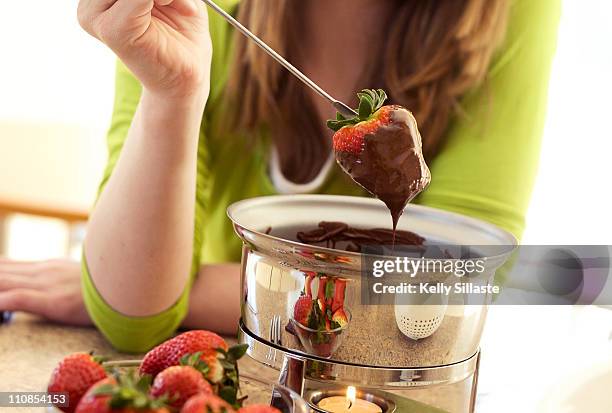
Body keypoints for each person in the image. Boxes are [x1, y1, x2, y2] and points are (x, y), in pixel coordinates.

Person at [0, 0, 560, 352]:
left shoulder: (513, 9)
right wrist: (175, 93)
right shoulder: (186, 12)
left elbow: (457, 283)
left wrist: (179, 291)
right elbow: (133, 320)